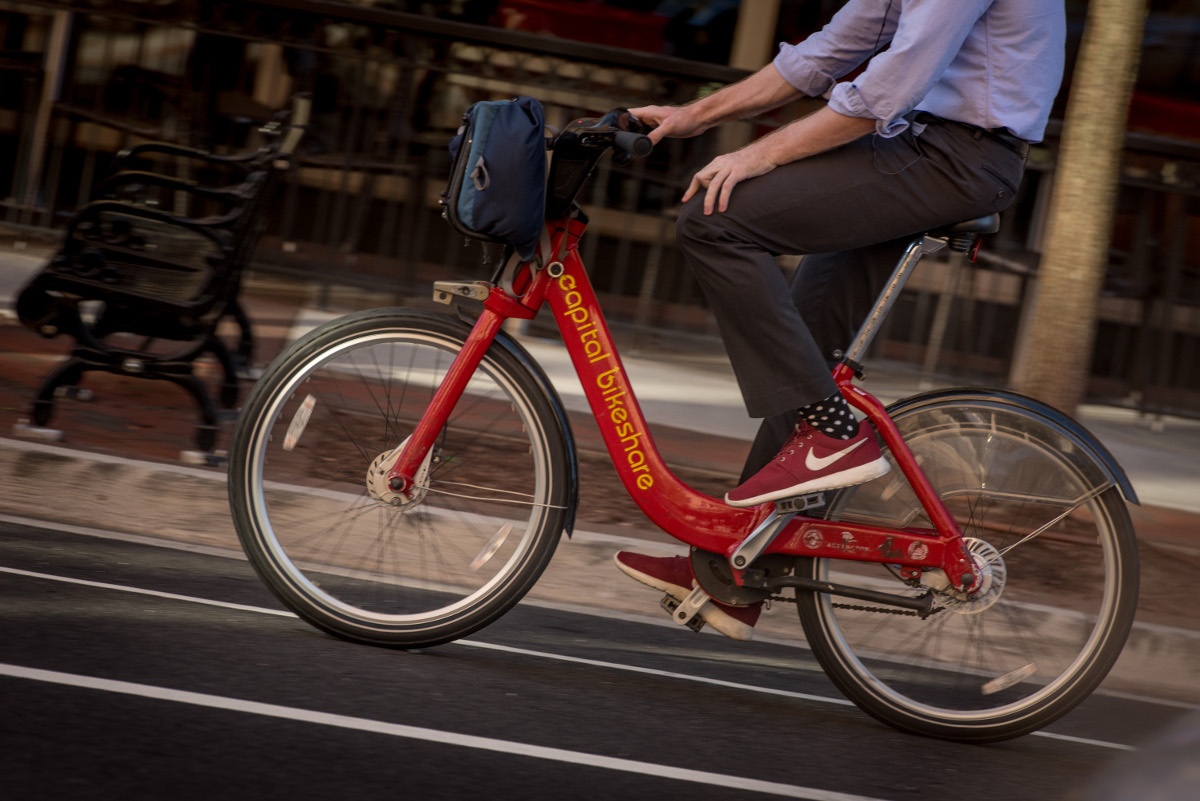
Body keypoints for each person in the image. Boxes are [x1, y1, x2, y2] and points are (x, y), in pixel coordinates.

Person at [615, 0, 1066, 640]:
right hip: (917, 145)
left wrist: (759, 156)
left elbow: (892, 81)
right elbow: (824, 53)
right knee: (803, 349)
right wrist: (696, 115)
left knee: (713, 221)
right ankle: (731, 574)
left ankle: (832, 437)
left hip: (955, 156)